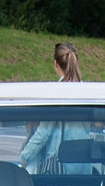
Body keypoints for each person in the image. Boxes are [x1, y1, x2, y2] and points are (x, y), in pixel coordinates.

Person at [20, 43, 90, 174]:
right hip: (84, 166)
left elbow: (44, 133)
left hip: (61, 168)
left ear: (55, 63)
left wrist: (24, 157)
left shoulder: (57, 94)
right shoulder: (87, 92)